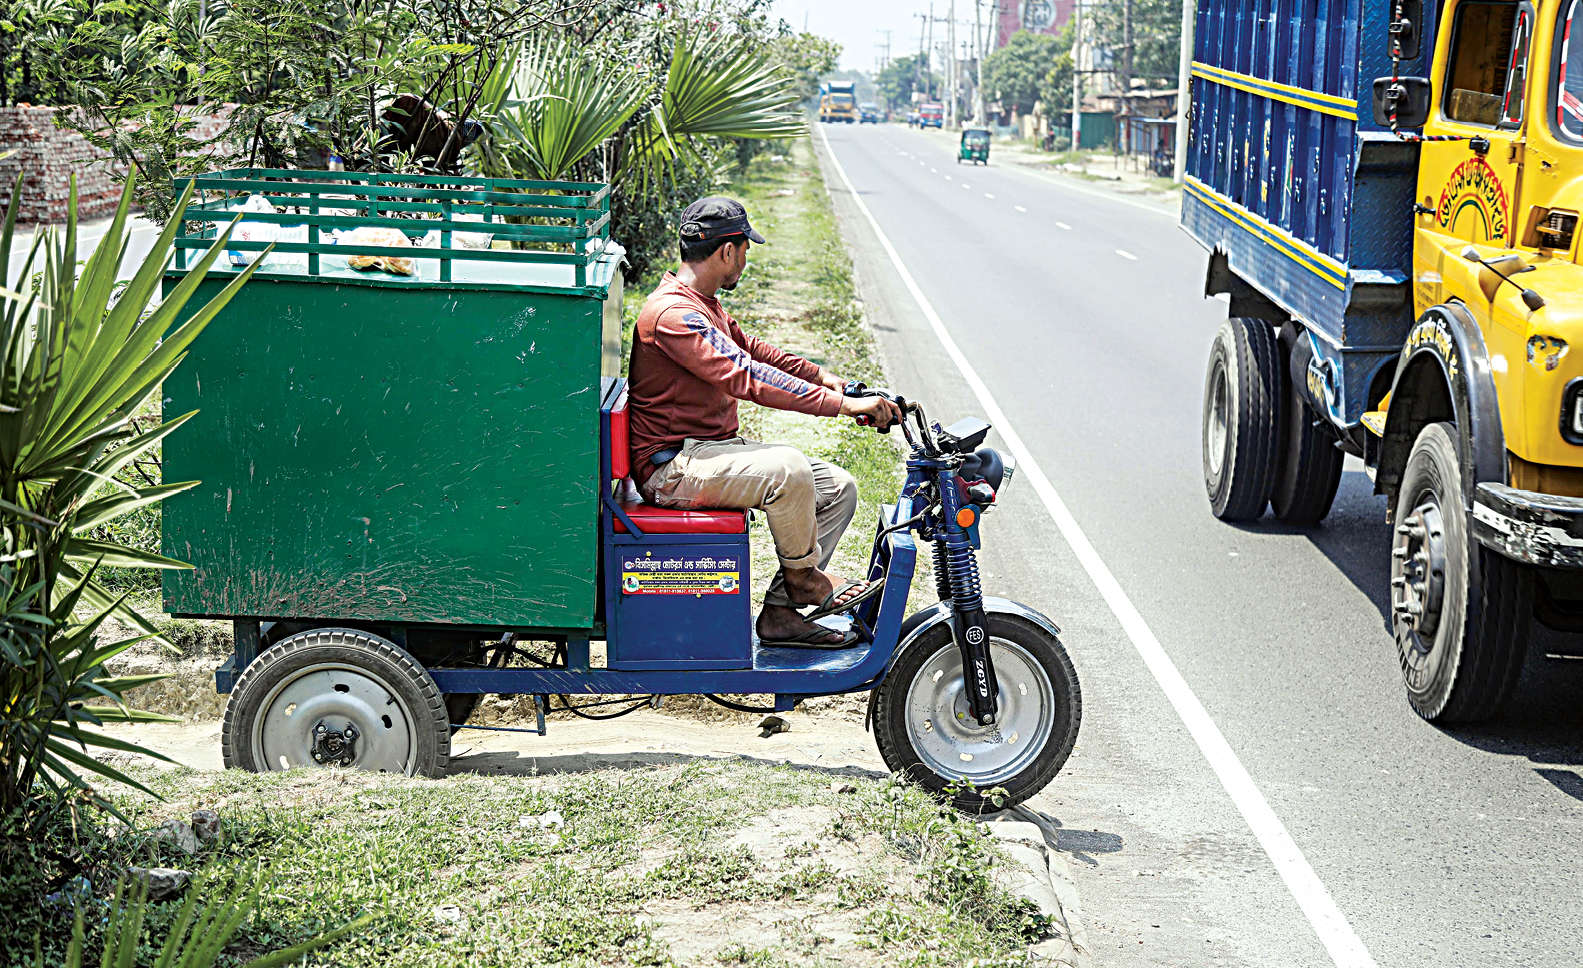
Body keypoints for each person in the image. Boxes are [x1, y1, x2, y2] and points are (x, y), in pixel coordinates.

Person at [626, 197, 903, 648]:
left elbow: (753, 350)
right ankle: (805, 580)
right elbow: (746, 375)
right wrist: (842, 406)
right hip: (671, 468)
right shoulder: (674, 315)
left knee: (838, 488)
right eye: (745, 250)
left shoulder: (704, 305)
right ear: (727, 251)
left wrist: (823, 377)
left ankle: (780, 614)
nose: (745, 260)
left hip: (710, 451)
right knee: (788, 470)